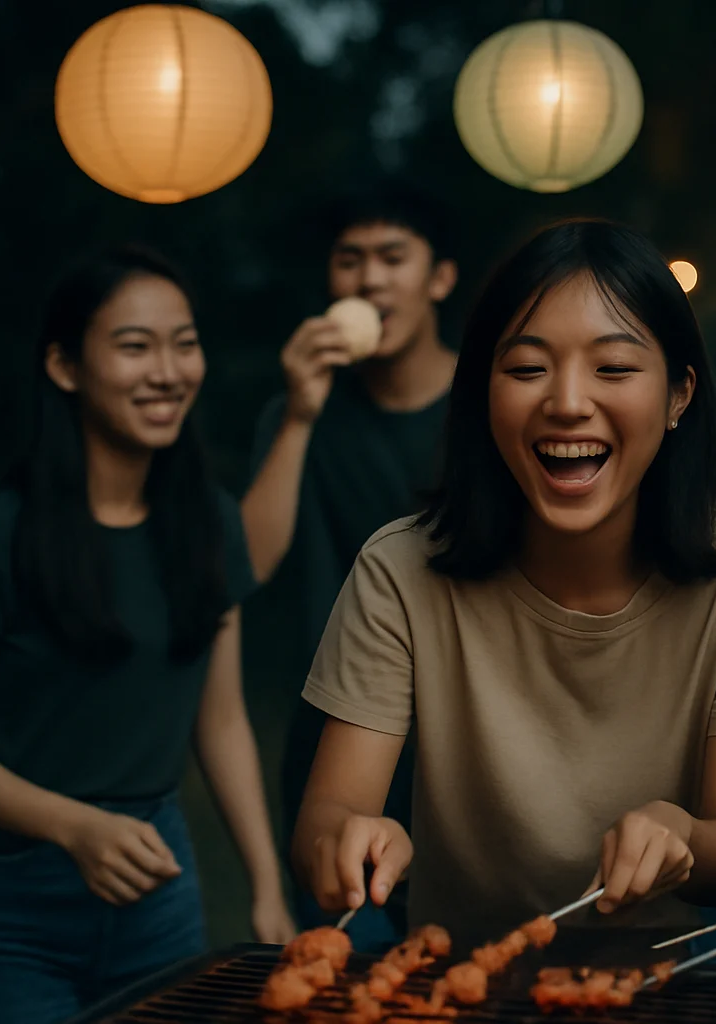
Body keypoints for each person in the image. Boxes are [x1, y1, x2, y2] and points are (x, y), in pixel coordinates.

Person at [289, 219, 716, 944]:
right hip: (463, 973)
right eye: (527, 369)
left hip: (682, 970)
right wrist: (344, 839)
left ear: (678, 396)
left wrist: (684, 836)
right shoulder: (399, 569)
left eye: (613, 368)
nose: (568, 402)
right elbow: (325, 819)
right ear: (483, 393)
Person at [0, 247, 295, 1024]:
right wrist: (72, 826)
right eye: (134, 346)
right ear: (64, 366)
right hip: (5, 905)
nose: (168, 372)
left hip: (158, 885)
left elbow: (220, 720)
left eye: (184, 344)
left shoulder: (208, 524)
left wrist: (265, 884)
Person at [241, 181, 459, 945]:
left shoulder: (493, 405)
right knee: (347, 977)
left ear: (439, 278)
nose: (369, 280)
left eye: (393, 258)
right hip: (334, 751)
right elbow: (247, 564)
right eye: (349, 260)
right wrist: (300, 413)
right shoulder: (297, 412)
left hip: (466, 752)